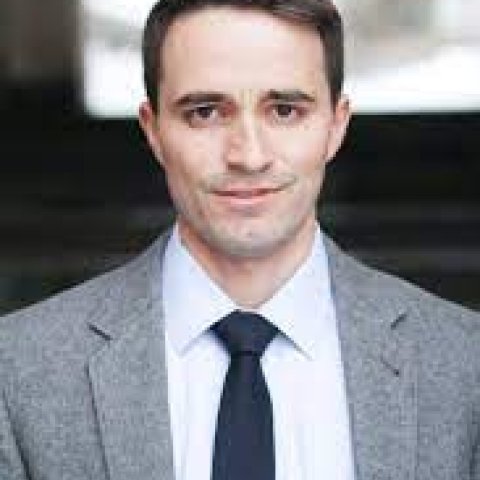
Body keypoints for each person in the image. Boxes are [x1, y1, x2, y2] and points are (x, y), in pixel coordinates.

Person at [1, 1, 480, 479]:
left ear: (336, 126)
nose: (249, 156)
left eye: (285, 111)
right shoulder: (17, 370)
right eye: (206, 112)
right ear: (153, 131)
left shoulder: (464, 363)